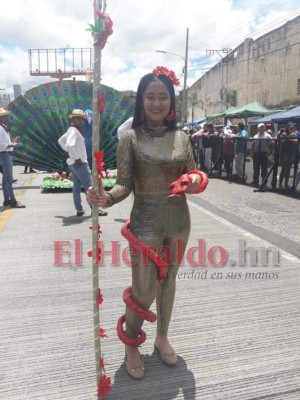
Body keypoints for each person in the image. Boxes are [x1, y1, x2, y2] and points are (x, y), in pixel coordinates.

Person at [86, 67, 208, 379]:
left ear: (171, 102)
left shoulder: (182, 138)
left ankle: (162, 335)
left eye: (162, 97)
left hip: (179, 221)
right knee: (143, 289)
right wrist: (106, 198)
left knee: (168, 281)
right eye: (150, 97)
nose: (156, 103)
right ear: (141, 102)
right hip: (145, 222)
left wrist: (193, 180)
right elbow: (124, 184)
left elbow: (194, 174)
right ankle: (130, 341)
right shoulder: (130, 139)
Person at [58, 109, 107, 217]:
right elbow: (70, 145)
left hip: (73, 163)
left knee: (76, 187)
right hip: (80, 163)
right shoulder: (74, 130)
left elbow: (61, 141)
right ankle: (95, 210)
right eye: (78, 118)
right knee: (90, 186)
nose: (80, 121)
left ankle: (79, 209)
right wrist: (76, 158)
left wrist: (70, 153)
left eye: (82, 119)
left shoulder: (73, 129)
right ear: (73, 119)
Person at [0, 108, 25, 208]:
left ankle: (6, 200)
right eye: (5, 115)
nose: (7, 117)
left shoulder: (3, 127)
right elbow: (1, 144)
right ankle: (13, 201)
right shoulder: (0, 128)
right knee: (9, 179)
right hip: (4, 154)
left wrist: (13, 141)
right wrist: (11, 145)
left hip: (5, 154)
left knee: (5, 178)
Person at [251, 123, 273, 187]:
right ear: (258, 128)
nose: (262, 128)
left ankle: (264, 183)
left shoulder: (268, 136)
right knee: (256, 169)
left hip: (264, 153)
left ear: (264, 128)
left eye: (263, 127)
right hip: (256, 153)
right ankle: (255, 181)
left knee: (264, 169)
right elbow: (252, 145)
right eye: (260, 127)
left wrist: (270, 152)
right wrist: (252, 153)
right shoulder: (255, 136)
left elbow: (272, 144)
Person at [277, 121, 297, 189]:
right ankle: (280, 184)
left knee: (288, 169)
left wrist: (294, 140)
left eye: (292, 128)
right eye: (290, 128)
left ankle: (286, 184)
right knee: (284, 169)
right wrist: (289, 137)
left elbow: (295, 143)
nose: (291, 129)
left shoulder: (294, 134)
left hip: (291, 153)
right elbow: (282, 141)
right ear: (287, 128)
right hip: (284, 153)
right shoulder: (284, 134)